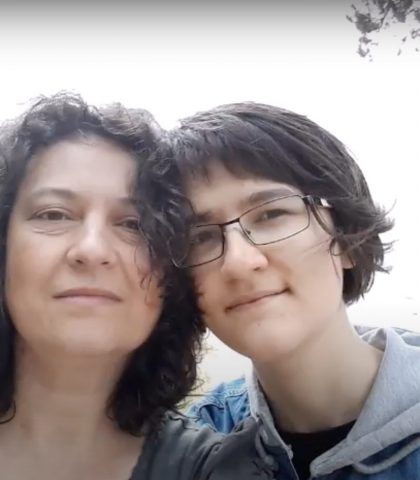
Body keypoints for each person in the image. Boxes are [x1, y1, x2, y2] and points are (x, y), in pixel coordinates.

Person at [137, 102, 420, 479]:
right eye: (199, 238)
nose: (239, 262)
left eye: (271, 214)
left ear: (346, 238)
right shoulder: (192, 450)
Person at [0, 94, 273, 480]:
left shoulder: (213, 469)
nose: (92, 250)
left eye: (133, 224)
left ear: (172, 276)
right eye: (54, 214)